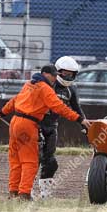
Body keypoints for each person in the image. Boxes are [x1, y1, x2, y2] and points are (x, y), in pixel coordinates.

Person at [0, 65, 90, 201]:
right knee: (30, 161)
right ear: (45, 74)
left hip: (15, 122)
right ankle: (24, 194)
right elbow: (59, 107)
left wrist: (1, 113)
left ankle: (13, 192)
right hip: (28, 124)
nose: (56, 78)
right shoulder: (45, 88)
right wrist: (79, 119)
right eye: (53, 75)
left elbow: (14, 101)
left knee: (15, 160)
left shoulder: (29, 85)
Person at [38, 56, 83, 200]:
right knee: (34, 160)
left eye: (71, 74)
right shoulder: (46, 84)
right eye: (65, 73)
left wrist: (85, 124)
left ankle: (45, 194)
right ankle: (25, 191)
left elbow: (77, 109)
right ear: (57, 71)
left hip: (52, 127)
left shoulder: (71, 90)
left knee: (50, 162)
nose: (68, 76)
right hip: (36, 125)